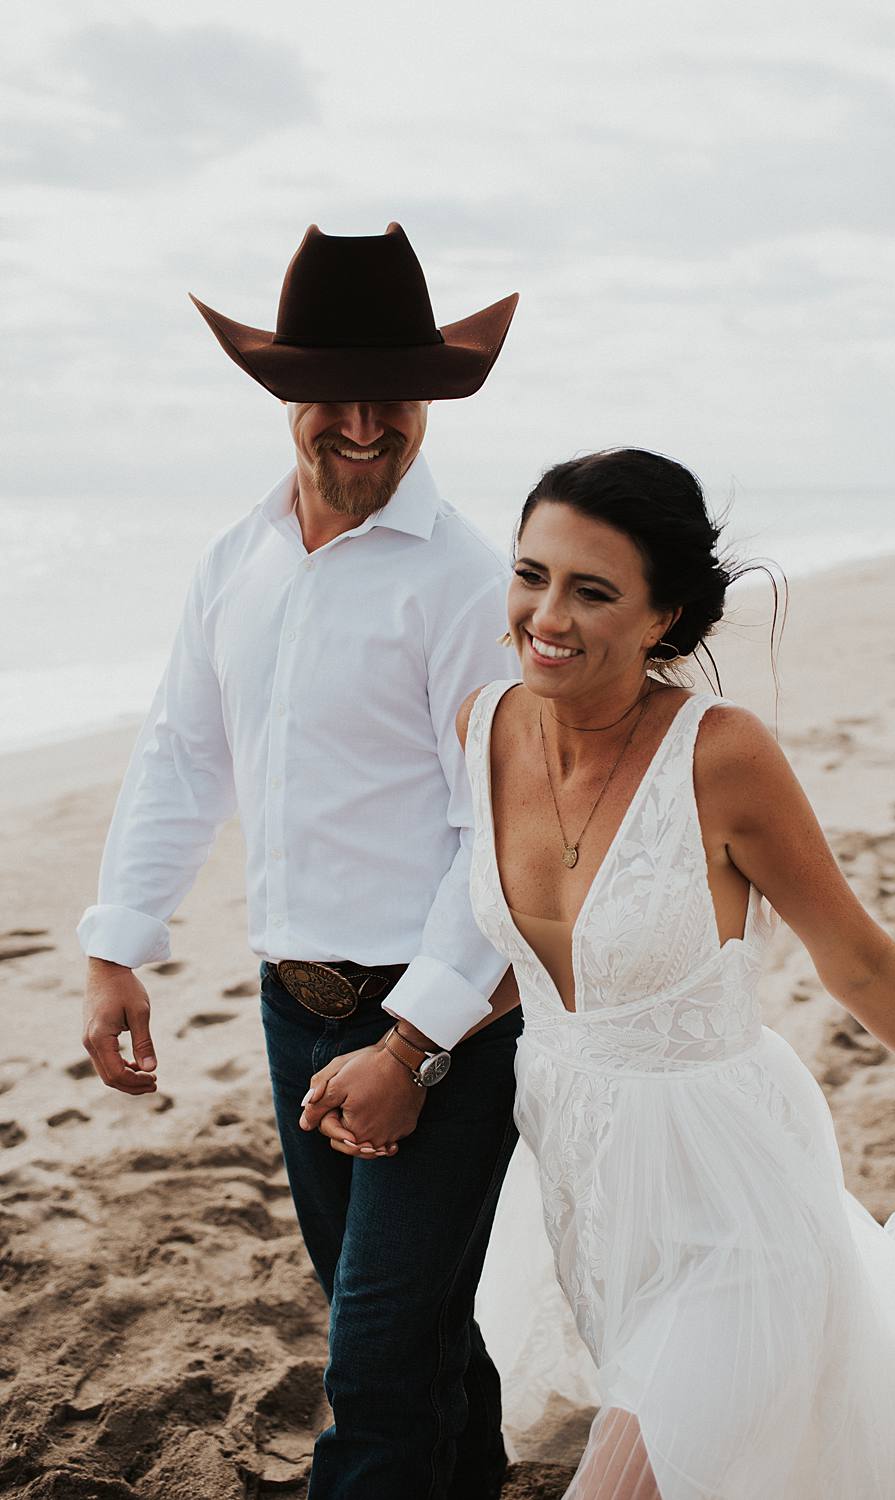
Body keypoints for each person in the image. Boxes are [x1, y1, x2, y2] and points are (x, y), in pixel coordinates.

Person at [77, 221, 525, 1500]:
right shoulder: (236, 561)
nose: (365, 422)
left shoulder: (463, 585)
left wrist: (410, 1046)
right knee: (404, 1317)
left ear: (431, 401)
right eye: (333, 391)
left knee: (372, 1360)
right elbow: (179, 754)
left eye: (397, 393)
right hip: (292, 1010)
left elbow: (494, 845)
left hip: (440, 1021)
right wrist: (119, 944)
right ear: (287, 396)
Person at [460, 447, 895, 1499]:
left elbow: (853, 955)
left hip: (731, 1202)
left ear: (661, 617)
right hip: (577, 1187)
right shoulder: (479, 727)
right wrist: (404, 1046)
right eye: (531, 575)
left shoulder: (720, 755)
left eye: (591, 591)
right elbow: (509, 956)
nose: (547, 615)